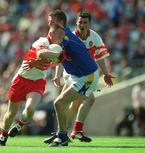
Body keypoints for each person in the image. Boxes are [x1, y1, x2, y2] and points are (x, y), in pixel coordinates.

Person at [44, 9, 114, 147]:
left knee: (61, 103)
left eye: (52, 21)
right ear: (75, 23)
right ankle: (64, 133)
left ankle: (64, 134)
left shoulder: (63, 34)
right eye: (49, 21)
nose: (49, 23)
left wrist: (39, 56)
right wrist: (57, 74)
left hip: (86, 76)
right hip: (74, 74)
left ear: (61, 22)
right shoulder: (63, 33)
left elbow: (56, 53)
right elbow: (60, 56)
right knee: (63, 104)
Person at [0, 24, 65, 146]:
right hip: (21, 79)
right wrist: (59, 57)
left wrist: (57, 74)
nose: (61, 38)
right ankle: (3, 134)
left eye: (62, 36)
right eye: (58, 35)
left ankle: (20, 125)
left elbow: (60, 63)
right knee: (10, 113)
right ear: (51, 34)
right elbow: (41, 54)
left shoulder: (58, 48)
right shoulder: (42, 41)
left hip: (37, 82)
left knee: (30, 109)